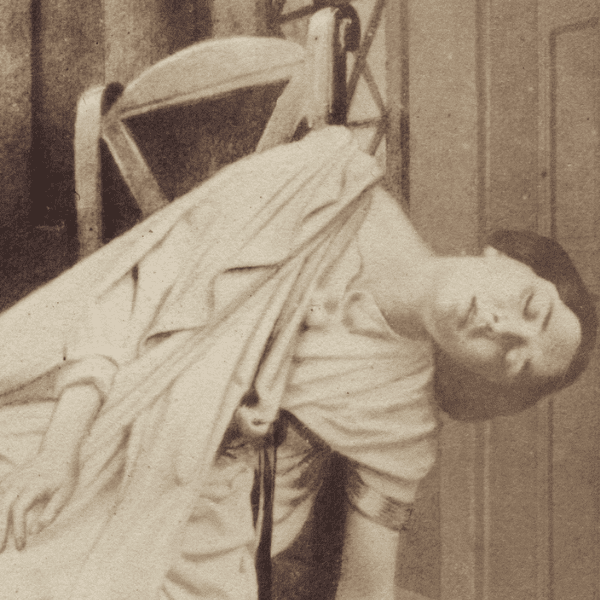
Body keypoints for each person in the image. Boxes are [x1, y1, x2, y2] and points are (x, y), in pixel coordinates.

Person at [0, 126, 594, 600]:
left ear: (483, 378)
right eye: (530, 307)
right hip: (92, 413)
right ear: (504, 257)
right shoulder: (325, 181)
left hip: (194, 535)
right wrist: (58, 450)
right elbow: (138, 285)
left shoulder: (403, 423)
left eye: (510, 360)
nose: (501, 328)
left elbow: (366, 588)